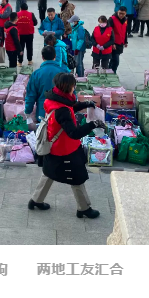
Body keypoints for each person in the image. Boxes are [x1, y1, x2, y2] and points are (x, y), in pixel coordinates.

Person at [28, 73, 106, 219]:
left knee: (48, 173)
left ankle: (36, 200)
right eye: (73, 86)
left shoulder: (53, 98)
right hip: (65, 150)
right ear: (68, 87)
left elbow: (69, 108)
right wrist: (93, 124)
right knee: (77, 178)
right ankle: (84, 208)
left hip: (53, 146)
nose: (74, 88)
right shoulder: (62, 109)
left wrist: (86, 104)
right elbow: (74, 133)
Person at [24, 46, 64, 122]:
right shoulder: (64, 73)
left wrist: (28, 112)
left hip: (43, 115)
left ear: (42, 57)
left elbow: (30, 96)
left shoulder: (36, 74)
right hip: (62, 115)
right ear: (55, 56)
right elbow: (72, 95)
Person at [108, 7, 129, 73]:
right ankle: (113, 72)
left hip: (120, 43)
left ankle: (109, 72)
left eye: (123, 14)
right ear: (117, 12)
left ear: (125, 13)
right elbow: (108, 32)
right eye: (120, 13)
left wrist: (125, 41)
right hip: (114, 43)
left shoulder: (125, 19)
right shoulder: (112, 19)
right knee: (116, 61)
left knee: (113, 60)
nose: (121, 15)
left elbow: (125, 31)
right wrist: (112, 43)